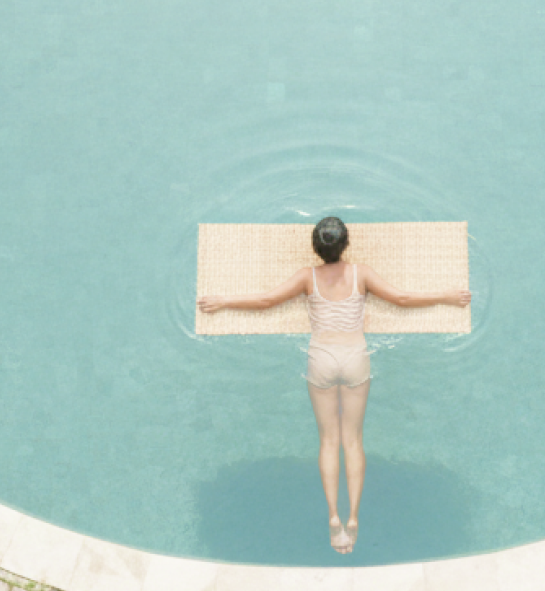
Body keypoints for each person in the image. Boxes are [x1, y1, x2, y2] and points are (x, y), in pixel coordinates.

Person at [197, 216, 470, 553]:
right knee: (352, 441)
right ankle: (354, 516)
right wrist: (448, 296)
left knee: (329, 441)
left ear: (316, 248)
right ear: (346, 246)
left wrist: (222, 301)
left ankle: (333, 517)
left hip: (321, 359)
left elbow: (266, 301)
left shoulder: (307, 277)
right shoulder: (362, 274)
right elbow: (401, 298)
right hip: (355, 357)